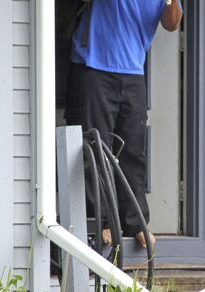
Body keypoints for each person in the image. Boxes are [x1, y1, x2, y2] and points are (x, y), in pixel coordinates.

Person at [64, 0, 183, 248]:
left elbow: (172, 24)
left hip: (133, 72)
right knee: (95, 149)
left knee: (133, 153)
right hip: (93, 67)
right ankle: (101, 220)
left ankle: (135, 223)